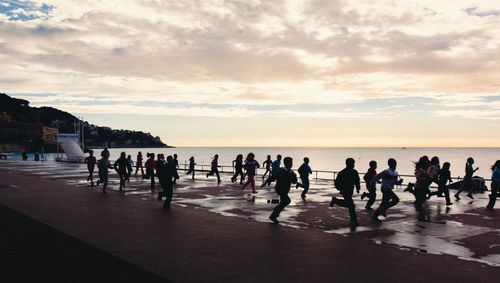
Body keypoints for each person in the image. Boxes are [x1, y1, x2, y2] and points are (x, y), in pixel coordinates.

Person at [330, 158, 361, 226]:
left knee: (349, 204)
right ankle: (353, 220)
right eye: (352, 163)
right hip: (345, 191)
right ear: (348, 164)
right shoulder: (343, 172)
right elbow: (337, 182)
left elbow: (357, 181)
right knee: (351, 206)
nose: (353, 165)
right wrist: (340, 189)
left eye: (353, 163)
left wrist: (358, 188)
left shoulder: (353, 172)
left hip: (349, 190)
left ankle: (335, 200)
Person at [268, 157, 297, 224]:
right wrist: (267, 181)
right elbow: (274, 177)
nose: (291, 164)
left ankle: (276, 212)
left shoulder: (291, 172)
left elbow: (294, 181)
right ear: (286, 163)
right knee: (287, 200)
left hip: (286, 189)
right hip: (280, 189)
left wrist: (294, 177)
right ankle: (274, 215)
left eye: (291, 162)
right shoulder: (281, 171)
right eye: (290, 162)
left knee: (283, 202)